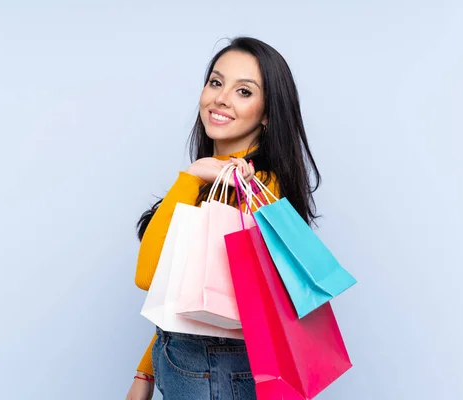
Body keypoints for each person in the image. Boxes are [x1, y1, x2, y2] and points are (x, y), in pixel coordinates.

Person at [126, 36, 321, 400]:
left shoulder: (255, 186)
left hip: (212, 369)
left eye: (244, 91)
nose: (221, 98)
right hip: (195, 362)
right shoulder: (217, 182)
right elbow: (194, 297)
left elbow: (149, 277)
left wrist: (191, 176)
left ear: (267, 114)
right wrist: (146, 370)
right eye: (216, 82)